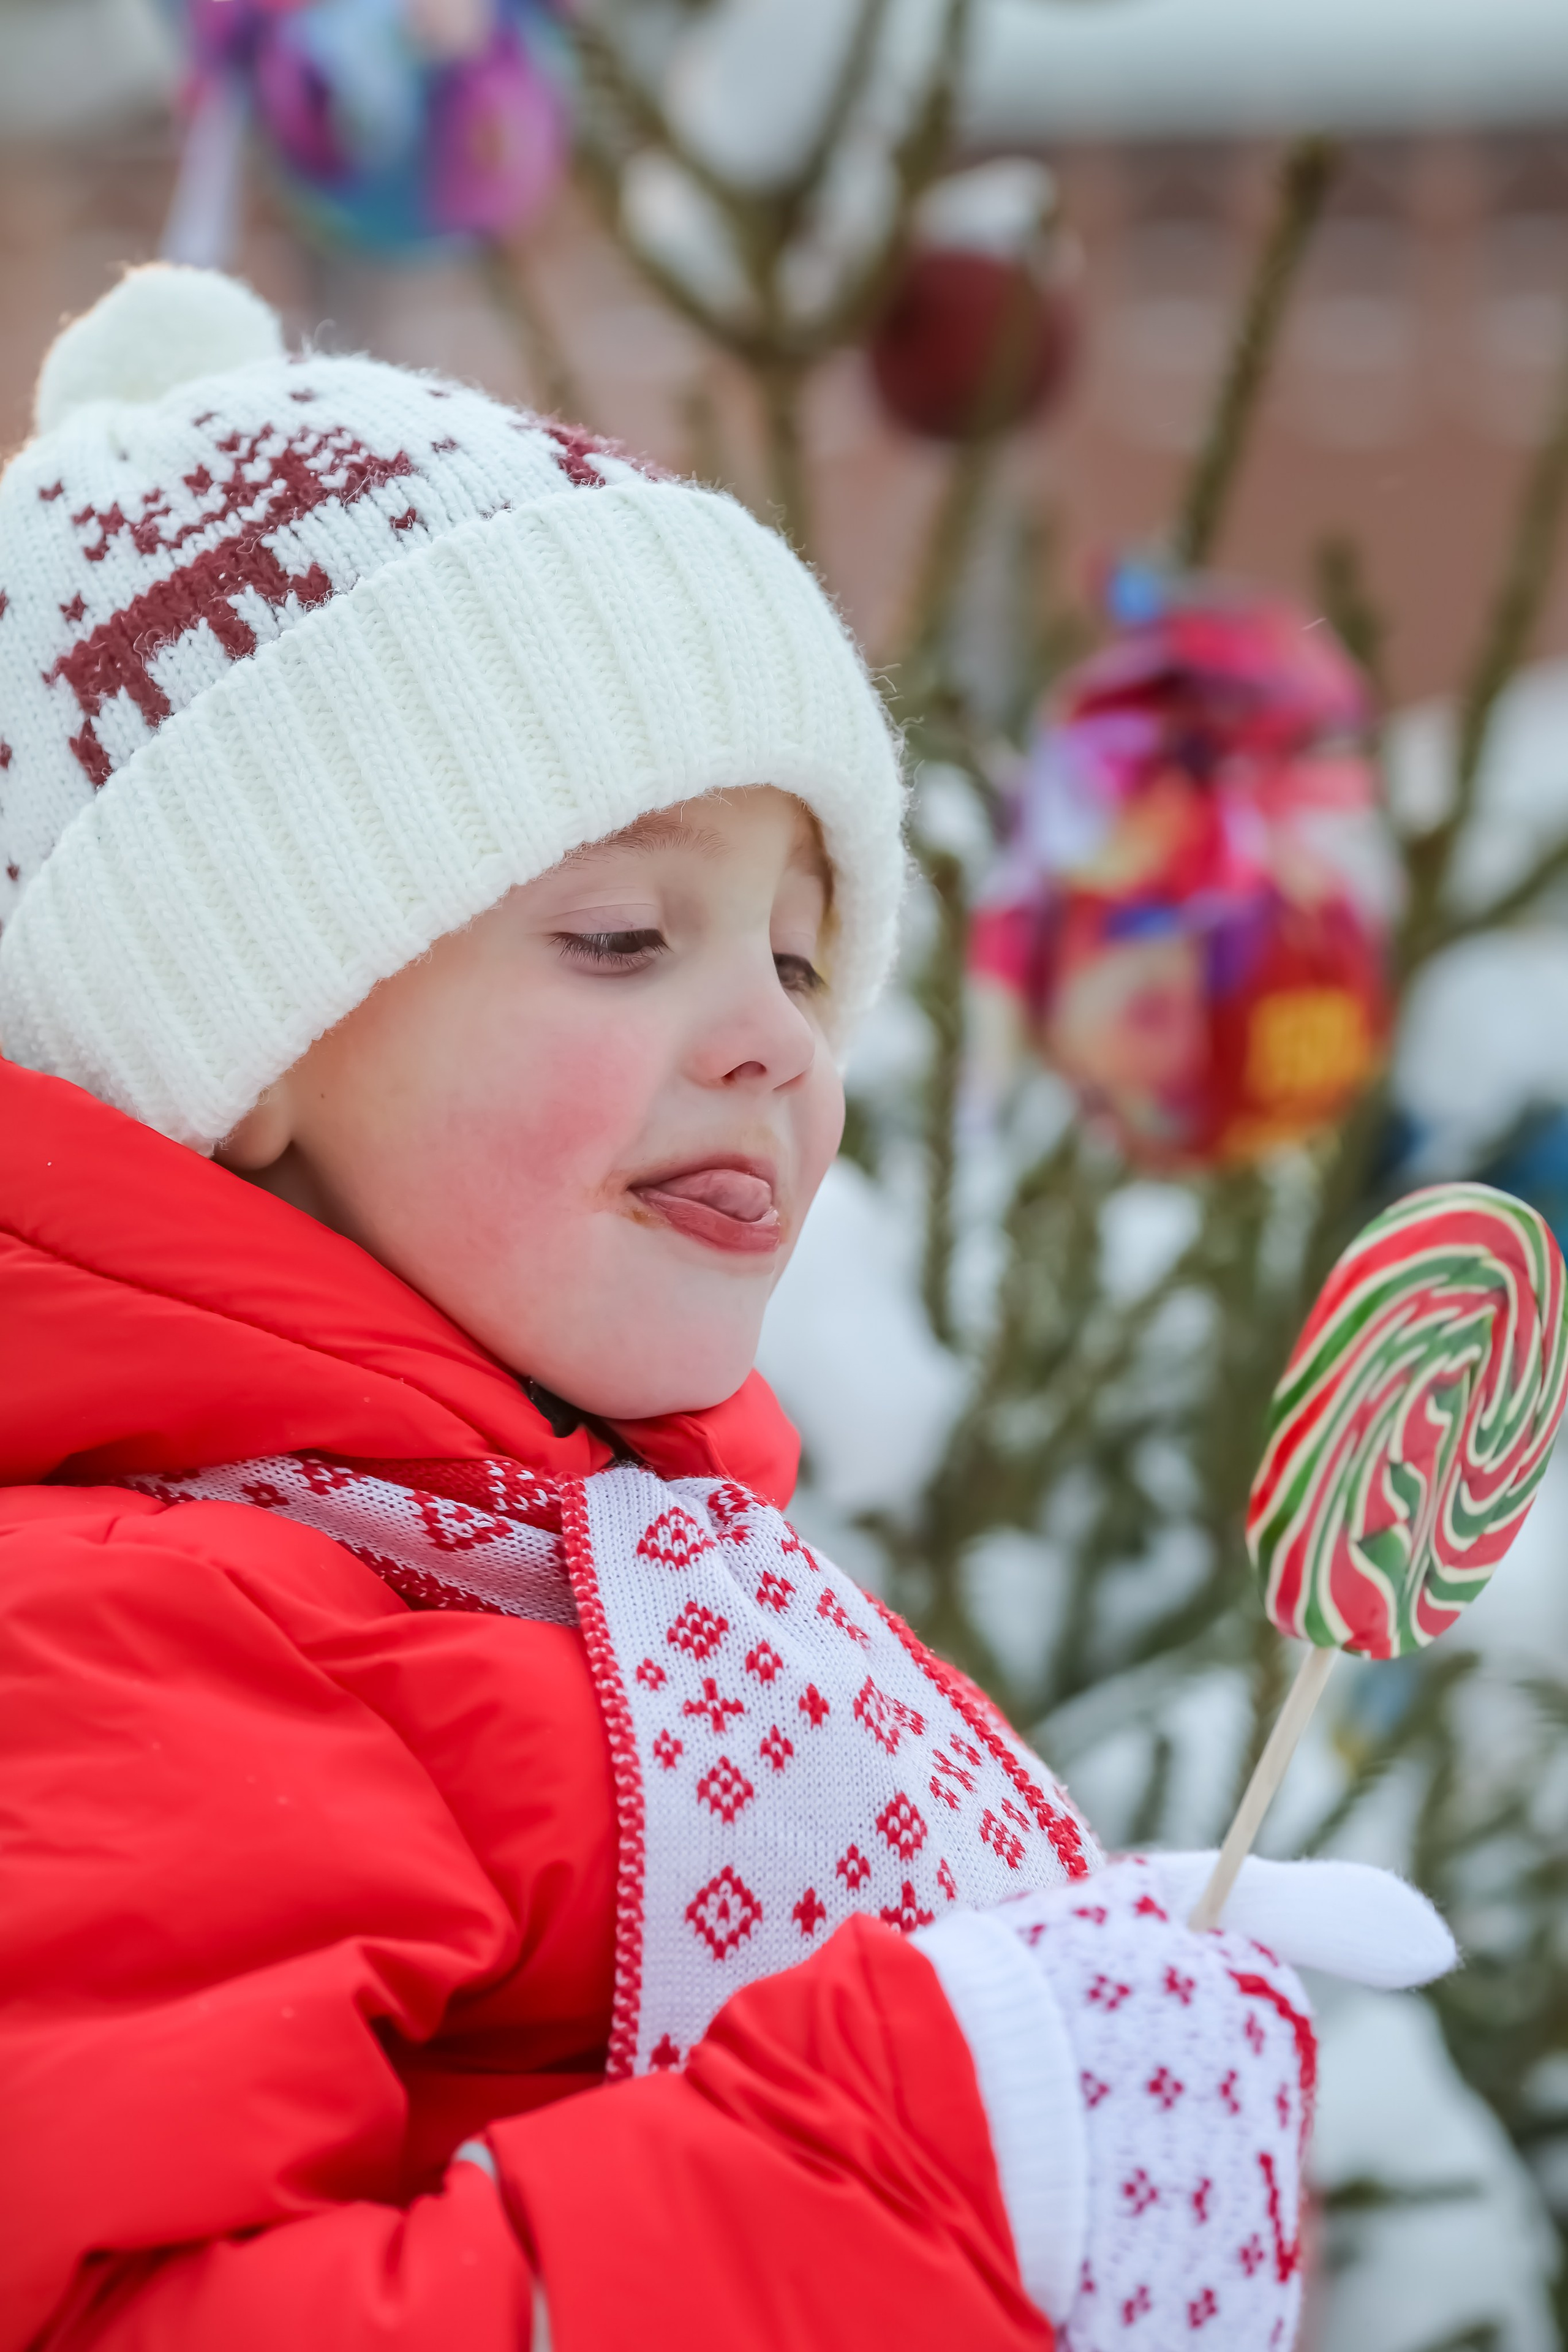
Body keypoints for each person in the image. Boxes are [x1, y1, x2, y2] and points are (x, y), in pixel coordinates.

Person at [0, 266, 1453, 2352]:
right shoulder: (119, 1649)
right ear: (243, 1050)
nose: (772, 1039)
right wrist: (925, 2152)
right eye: (620, 934)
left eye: (796, 958)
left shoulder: (584, 1599)